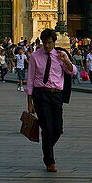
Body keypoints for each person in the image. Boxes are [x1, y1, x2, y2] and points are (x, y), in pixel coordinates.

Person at [25, 28, 75, 172]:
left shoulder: (61, 55)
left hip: (57, 94)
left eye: (49, 43)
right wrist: (30, 103)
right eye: (44, 43)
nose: (46, 46)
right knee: (47, 128)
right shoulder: (35, 56)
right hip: (41, 95)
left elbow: (72, 72)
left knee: (58, 129)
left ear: (54, 42)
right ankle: (49, 160)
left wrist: (66, 61)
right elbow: (30, 80)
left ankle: (47, 147)